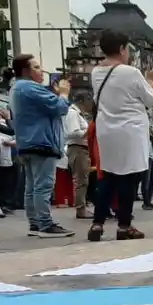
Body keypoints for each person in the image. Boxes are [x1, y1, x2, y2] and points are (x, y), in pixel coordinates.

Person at [88, 30, 153, 241]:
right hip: (130, 131)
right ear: (121, 49)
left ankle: (97, 223)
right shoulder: (130, 72)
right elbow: (151, 99)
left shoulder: (95, 72)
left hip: (107, 131)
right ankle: (124, 225)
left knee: (108, 178)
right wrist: (151, 81)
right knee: (130, 179)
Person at [8, 53, 73, 237]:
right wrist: (63, 93)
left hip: (27, 143)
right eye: (36, 67)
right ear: (26, 71)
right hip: (42, 142)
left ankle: (35, 223)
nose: (40, 70)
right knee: (43, 185)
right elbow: (60, 107)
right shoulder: (30, 88)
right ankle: (45, 224)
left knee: (32, 186)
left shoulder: (16, 89)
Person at [63, 91, 94, 219]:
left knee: (84, 179)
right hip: (77, 148)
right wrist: (88, 131)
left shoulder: (80, 114)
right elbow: (72, 132)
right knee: (81, 180)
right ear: (82, 101)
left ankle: (82, 207)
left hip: (82, 148)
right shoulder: (73, 113)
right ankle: (80, 209)